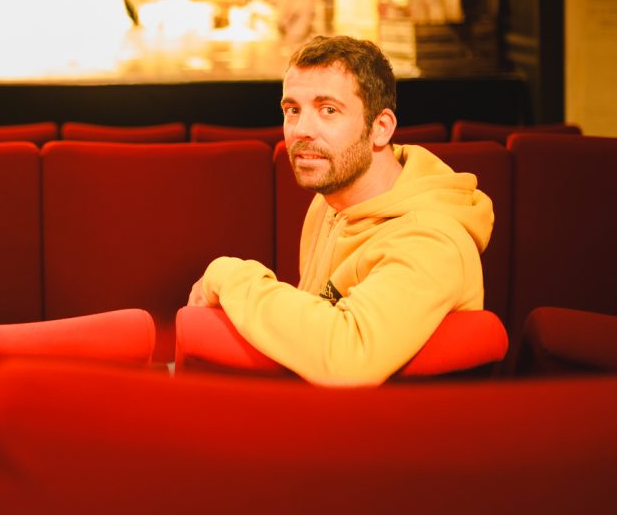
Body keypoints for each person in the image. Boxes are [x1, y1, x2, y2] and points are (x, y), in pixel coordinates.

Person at [188, 35, 492, 385]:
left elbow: (347, 355)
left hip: (397, 432)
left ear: (380, 128)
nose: (302, 130)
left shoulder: (431, 241)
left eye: (328, 110)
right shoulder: (331, 202)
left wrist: (228, 276)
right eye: (293, 110)